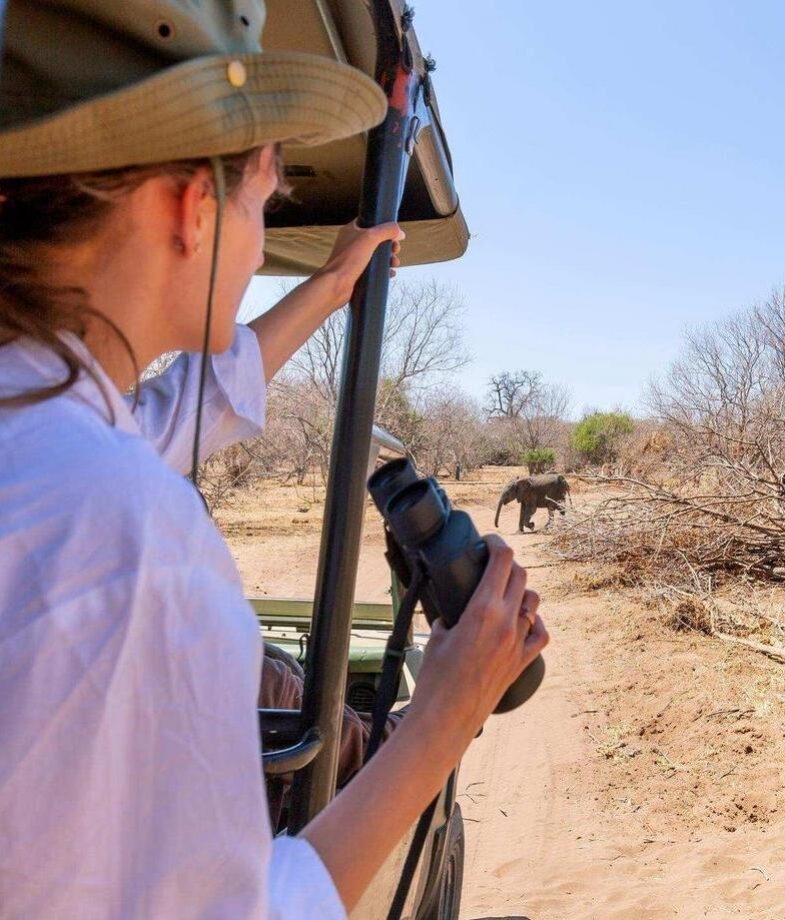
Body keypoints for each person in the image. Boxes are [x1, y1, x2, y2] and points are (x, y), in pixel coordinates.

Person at [0, 3, 549, 918]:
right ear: (190, 207)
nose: (259, 242)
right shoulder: (121, 532)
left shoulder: (42, 423)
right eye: (262, 201)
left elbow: (174, 414)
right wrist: (444, 720)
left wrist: (329, 286)